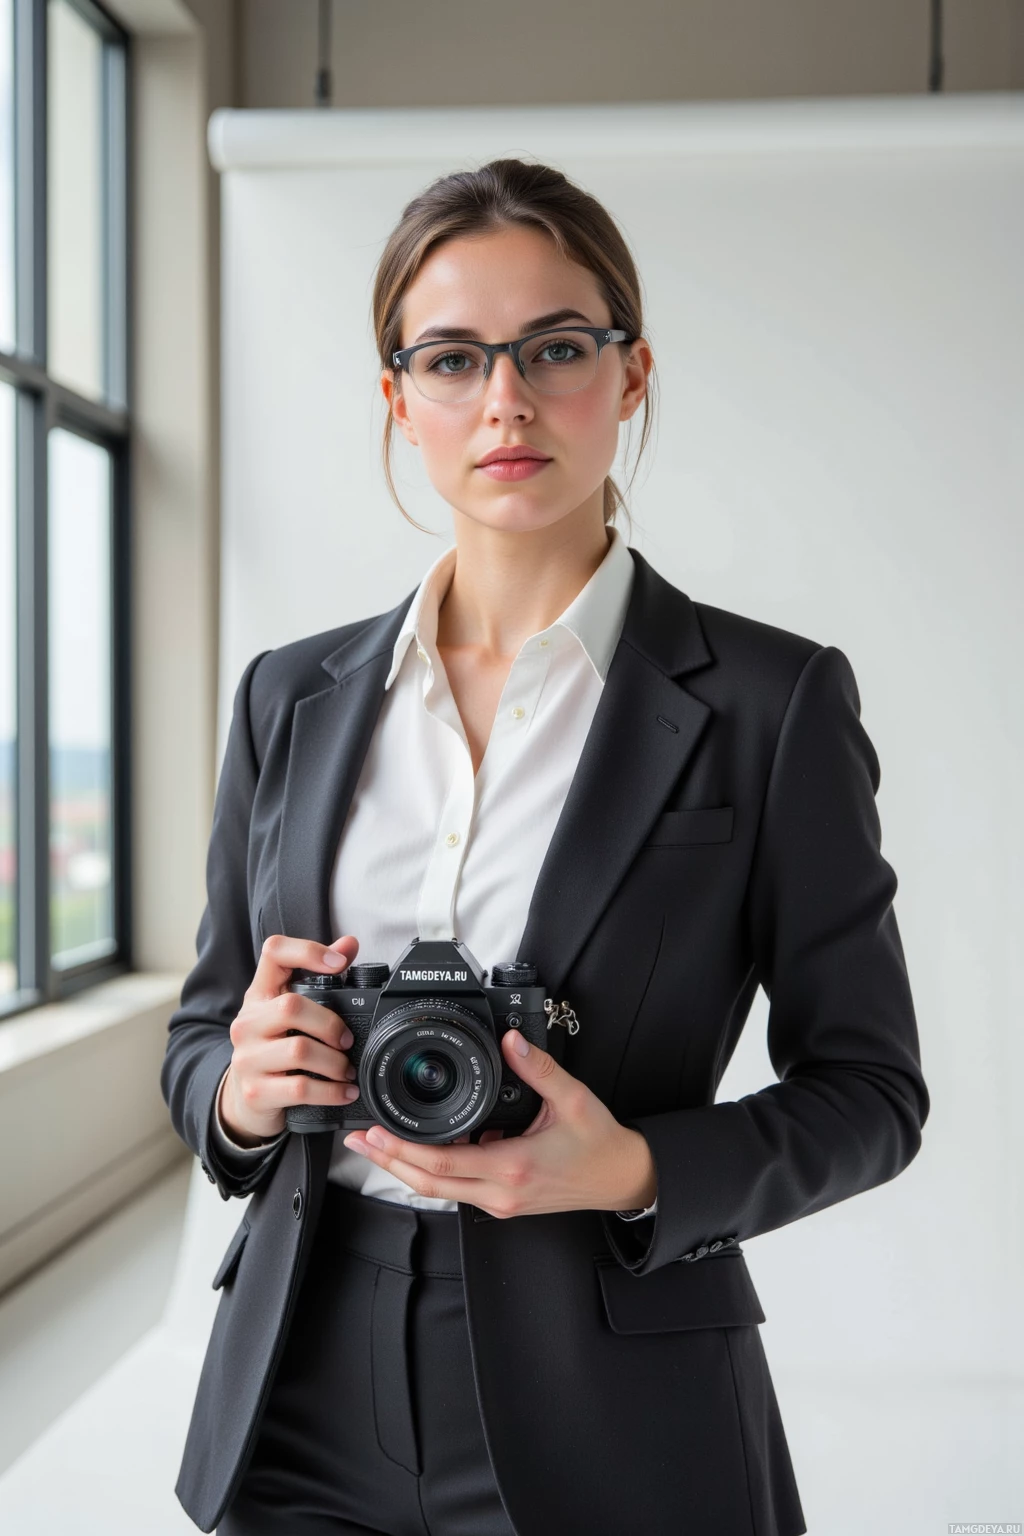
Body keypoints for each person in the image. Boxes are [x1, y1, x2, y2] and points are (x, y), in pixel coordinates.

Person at [161, 158, 929, 1536]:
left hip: (614, 1394)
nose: (505, 400)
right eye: (454, 358)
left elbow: (872, 1094)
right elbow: (203, 1033)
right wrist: (242, 1092)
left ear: (631, 375)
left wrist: (632, 1169)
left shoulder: (773, 703)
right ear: (398, 398)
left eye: (556, 348)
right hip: (296, 1378)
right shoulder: (289, 696)